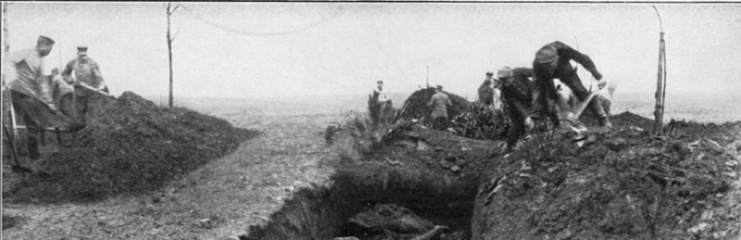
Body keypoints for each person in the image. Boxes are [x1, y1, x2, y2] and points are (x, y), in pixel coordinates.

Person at [4, 36, 64, 159]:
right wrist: (11, 78)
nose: (50, 51)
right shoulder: (27, 53)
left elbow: (42, 82)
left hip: (29, 93)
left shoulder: (40, 61)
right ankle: (32, 156)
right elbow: (8, 60)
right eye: (50, 48)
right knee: (32, 123)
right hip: (19, 91)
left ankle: (35, 152)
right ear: (44, 46)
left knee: (39, 120)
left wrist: (49, 102)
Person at [532, 41, 611, 128]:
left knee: (581, 91)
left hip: (564, 69)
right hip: (545, 76)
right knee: (549, 96)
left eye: (550, 65)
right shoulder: (538, 66)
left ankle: (603, 119)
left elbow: (583, 58)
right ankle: (563, 123)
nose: (549, 68)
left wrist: (598, 77)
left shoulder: (563, 49)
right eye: (546, 66)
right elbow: (543, 93)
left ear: (557, 58)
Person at [61, 45, 109, 126]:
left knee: (92, 113)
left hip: (92, 92)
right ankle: (80, 132)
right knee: (78, 114)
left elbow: (99, 77)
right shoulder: (73, 63)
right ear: (78, 55)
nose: (83, 58)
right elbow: (65, 74)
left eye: (85, 55)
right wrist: (70, 80)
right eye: (81, 56)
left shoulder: (92, 64)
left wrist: (100, 87)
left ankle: (92, 131)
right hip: (79, 92)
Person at [497, 66, 536, 153]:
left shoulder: (519, 71)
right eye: (502, 81)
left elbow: (534, 72)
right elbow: (516, 103)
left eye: (506, 80)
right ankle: (509, 147)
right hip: (516, 107)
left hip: (531, 97)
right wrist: (526, 117)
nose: (505, 83)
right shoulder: (504, 88)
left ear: (511, 75)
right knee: (516, 126)